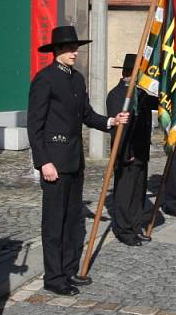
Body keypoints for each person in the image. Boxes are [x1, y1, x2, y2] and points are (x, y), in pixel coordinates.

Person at [28, 26, 129, 295]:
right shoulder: (45, 79)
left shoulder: (76, 79)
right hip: (54, 162)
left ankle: (70, 269)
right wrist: (43, 161)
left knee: (73, 220)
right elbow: (34, 125)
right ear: (57, 51)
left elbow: (87, 114)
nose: (75, 53)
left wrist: (111, 121)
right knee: (54, 223)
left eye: (76, 48)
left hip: (74, 159)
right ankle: (54, 276)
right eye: (70, 49)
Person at [106, 54, 157, 246]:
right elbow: (118, 129)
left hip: (141, 151)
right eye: (138, 73)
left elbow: (159, 102)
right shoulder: (116, 95)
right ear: (127, 73)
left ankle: (136, 226)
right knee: (125, 193)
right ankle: (123, 229)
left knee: (138, 192)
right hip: (126, 153)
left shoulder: (140, 94)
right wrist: (125, 152)